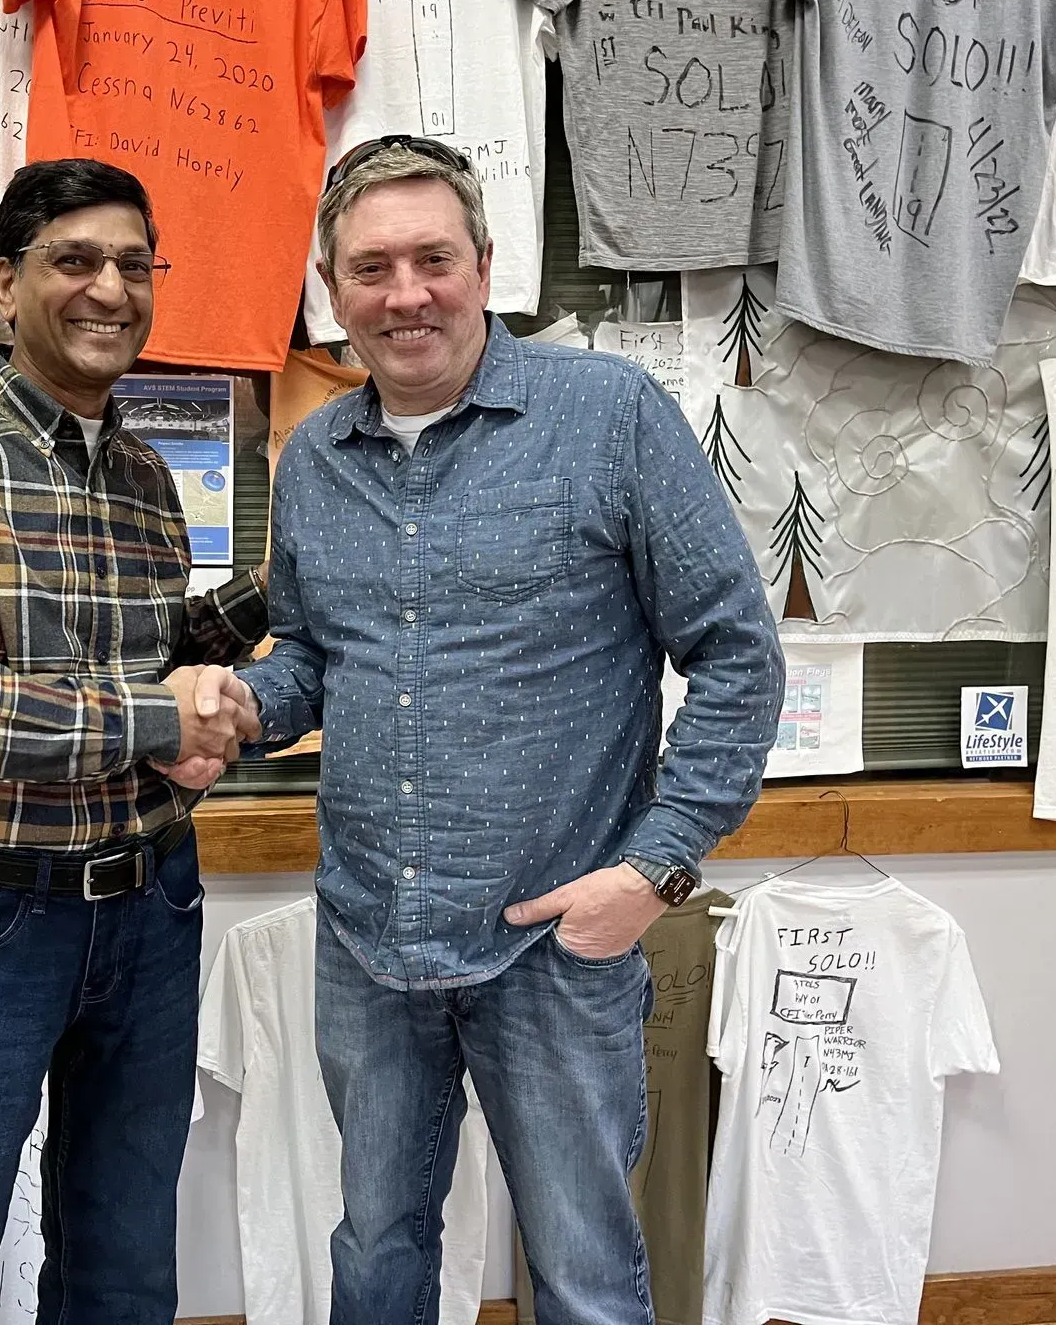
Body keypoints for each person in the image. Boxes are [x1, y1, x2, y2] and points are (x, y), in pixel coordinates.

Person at [219, 139, 785, 1325]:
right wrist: (233, 714)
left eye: (434, 259)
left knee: (582, 1274)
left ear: (486, 264)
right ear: (333, 287)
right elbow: (318, 663)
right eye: (371, 268)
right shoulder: (317, 456)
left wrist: (654, 870)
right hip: (370, 940)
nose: (405, 294)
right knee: (375, 1247)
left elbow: (737, 653)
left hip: (556, 947)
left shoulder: (609, 416)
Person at [0, 158, 268, 1325]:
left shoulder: (139, 471)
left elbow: (144, 654)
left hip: (153, 904)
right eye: (75, 260)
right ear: (8, 281)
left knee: (125, 1267)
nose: (109, 290)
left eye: (135, 263)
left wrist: (277, 592)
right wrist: (153, 718)